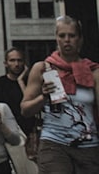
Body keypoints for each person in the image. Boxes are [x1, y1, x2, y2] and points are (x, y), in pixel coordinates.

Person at [20, 15, 99, 171]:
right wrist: (43, 97)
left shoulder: (93, 71)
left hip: (88, 145)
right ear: (56, 39)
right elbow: (25, 110)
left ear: (80, 39)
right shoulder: (42, 68)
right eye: (62, 36)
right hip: (54, 144)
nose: (67, 40)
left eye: (72, 35)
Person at [0, 49, 36, 174]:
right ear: (6, 63)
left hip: (27, 133)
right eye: (12, 60)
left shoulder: (29, 83)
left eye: (19, 60)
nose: (16, 64)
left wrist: (21, 80)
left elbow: (30, 103)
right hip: (6, 135)